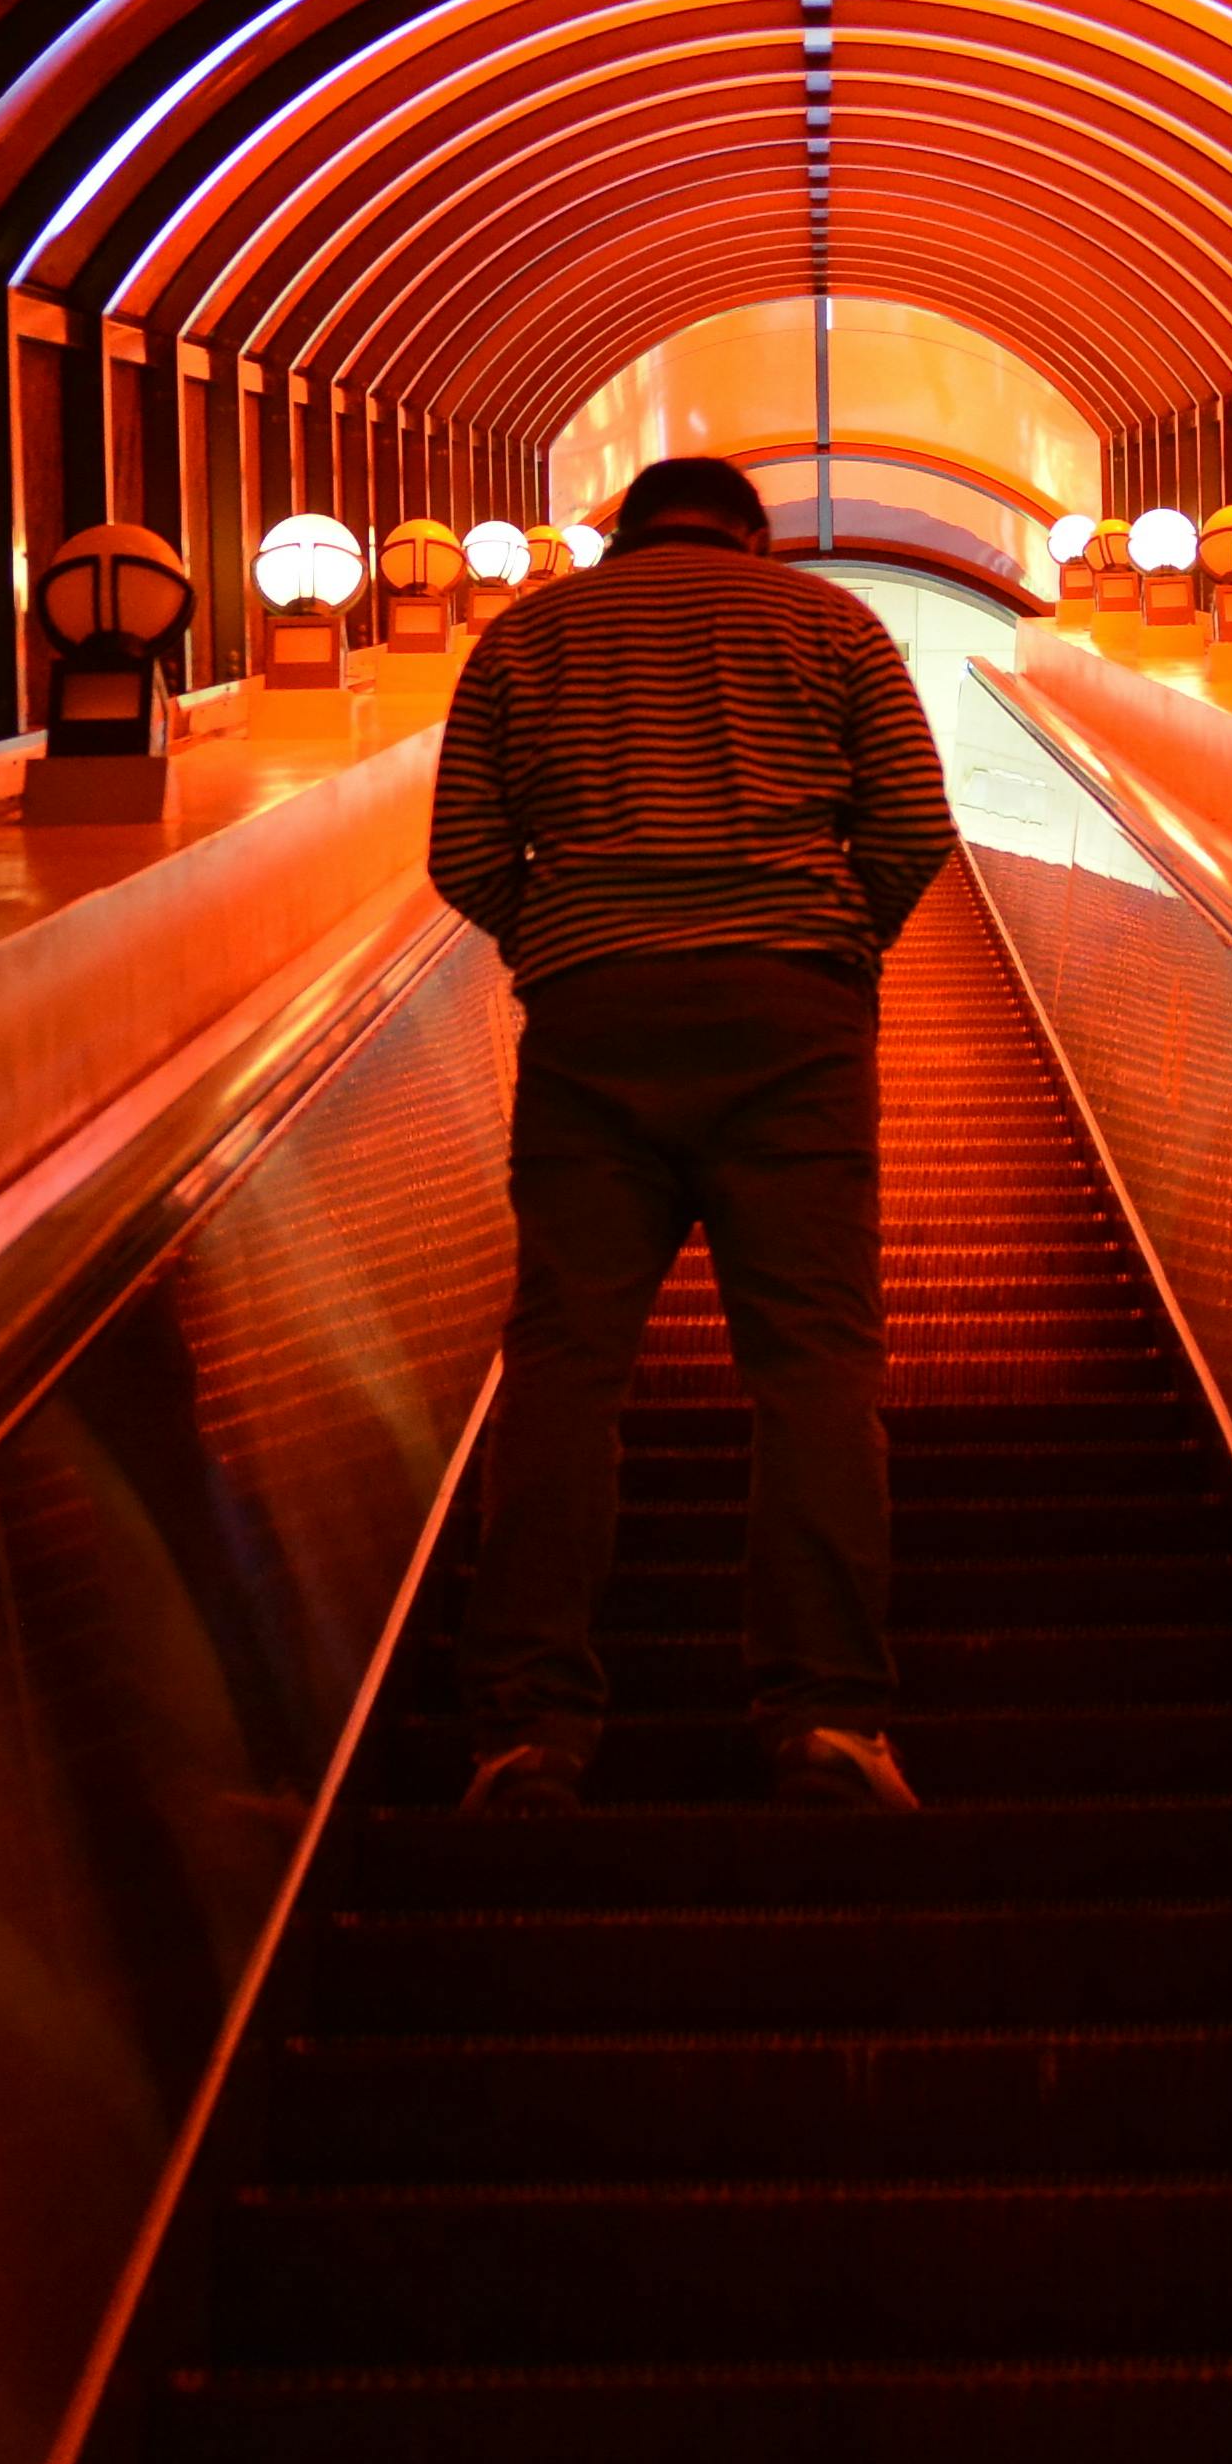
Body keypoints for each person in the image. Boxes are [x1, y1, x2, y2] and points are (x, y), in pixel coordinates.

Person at [421, 450, 960, 1815]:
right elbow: (911, 828)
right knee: (815, 1368)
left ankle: (527, 1730)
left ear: (618, 533)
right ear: (755, 536)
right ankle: (829, 1715)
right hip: (792, 1020)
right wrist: (835, 953)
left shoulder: (526, 633)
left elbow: (466, 851)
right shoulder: (834, 625)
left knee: (565, 1364)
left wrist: (567, 943)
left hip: (593, 1022)